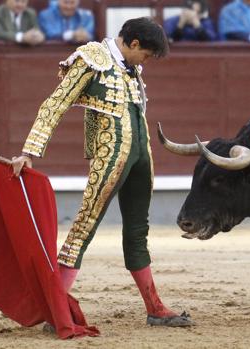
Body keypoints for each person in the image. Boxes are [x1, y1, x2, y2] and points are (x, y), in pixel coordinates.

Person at [10, 17, 194, 328]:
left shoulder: (132, 67)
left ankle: (154, 306)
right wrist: (29, 152)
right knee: (83, 228)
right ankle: (55, 308)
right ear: (133, 43)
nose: (146, 61)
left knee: (138, 231)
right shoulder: (92, 58)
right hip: (110, 158)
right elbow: (54, 104)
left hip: (141, 156)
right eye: (146, 54)